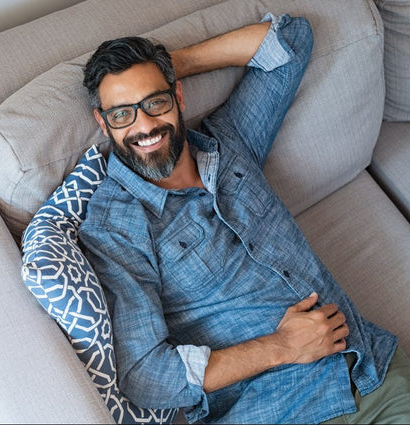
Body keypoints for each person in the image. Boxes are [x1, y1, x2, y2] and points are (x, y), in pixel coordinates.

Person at [79, 13, 410, 424]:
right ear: (103, 122)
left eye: (155, 103)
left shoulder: (231, 142)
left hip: (370, 368)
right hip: (280, 412)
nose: (144, 126)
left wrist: (166, 64)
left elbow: (290, 42)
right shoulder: (115, 226)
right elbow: (146, 377)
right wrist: (282, 346)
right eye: (122, 114)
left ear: (178, 97)